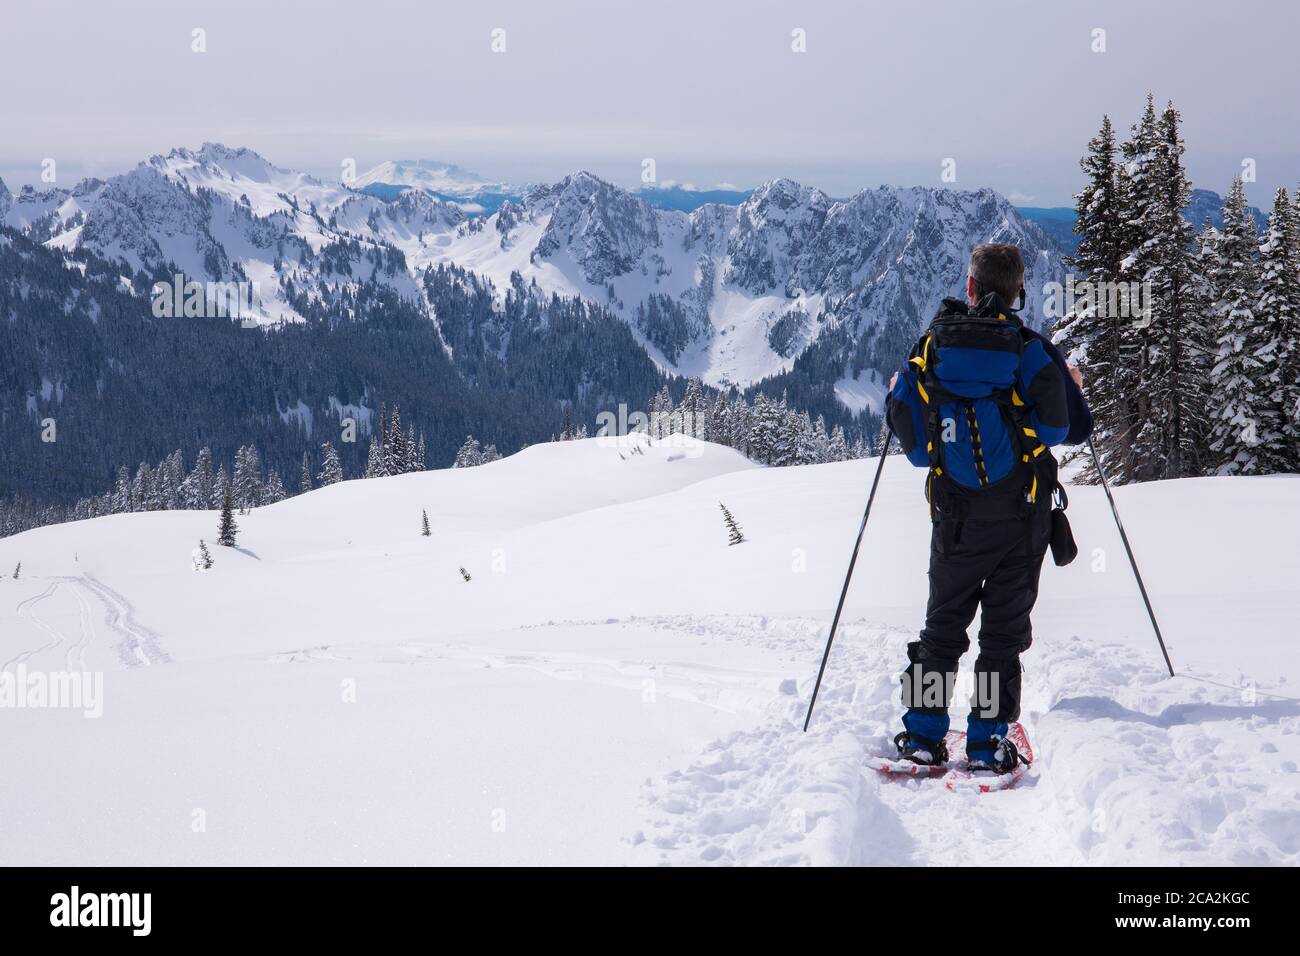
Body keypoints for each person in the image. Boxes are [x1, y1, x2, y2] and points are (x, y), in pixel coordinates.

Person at [884, 243, 1091, 773]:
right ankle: (985, 743)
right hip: (1021, 519)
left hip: (954, 520)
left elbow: (914, 449)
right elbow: (1067, 430)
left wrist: (896, 396)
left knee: (941, 628)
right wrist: (1071, 388)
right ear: (1018, 292)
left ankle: (922, 736)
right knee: (1001, 636)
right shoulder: (1030, 350)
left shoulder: (929, 350)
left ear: (971, 287)